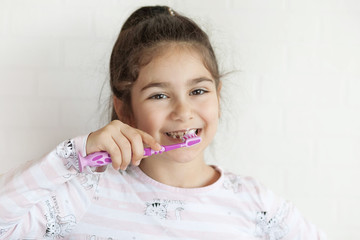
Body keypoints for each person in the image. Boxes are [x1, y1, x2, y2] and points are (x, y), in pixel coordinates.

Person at [0, 5, 326, 240]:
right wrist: (74, 155)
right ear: (124, 110)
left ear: (218, 96)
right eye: (159, 95)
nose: (183, 111)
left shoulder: (254, 202)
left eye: (198, 90)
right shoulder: (87, 192)